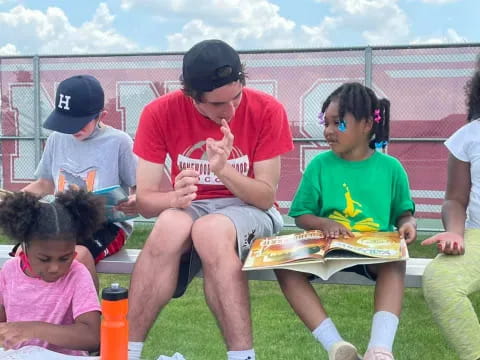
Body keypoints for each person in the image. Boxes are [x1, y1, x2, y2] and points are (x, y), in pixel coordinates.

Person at [127, 39, 294, 360]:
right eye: (218, 105)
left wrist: (223, 170)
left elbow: (265, 196)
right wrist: (174, 197)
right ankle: (125, 352)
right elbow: (146, 202)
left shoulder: (268, 109)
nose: (230, 111)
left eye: (237, 97)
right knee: (168, 225)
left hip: (250, 209)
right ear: (191, 97)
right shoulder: (159, 112)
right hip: (191, 207)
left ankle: (243, 356)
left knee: (211, 230)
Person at [276, 82, 416, 360]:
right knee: (283, 266)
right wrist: (324, 224)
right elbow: (301, 215)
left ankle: (379, 350)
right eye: (325, 123)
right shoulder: (319, 165)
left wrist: (407, 223)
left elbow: (403, 212)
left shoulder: (391, 168)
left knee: (395, 263)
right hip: (326, 249)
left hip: (372, 252)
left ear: (366, 124)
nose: (328, 131)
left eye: (338, 124)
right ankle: (336, 346)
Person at [22, 74, 138, 291]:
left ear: (101, 115)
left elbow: (139, 188)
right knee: (28, 253)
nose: (72, 128)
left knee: (77, 255)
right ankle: (34, 315)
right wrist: (15, 201)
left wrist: (135, 200)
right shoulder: (57, 138)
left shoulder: (119, 142)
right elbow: (45, 183)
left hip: (108, 225)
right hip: (63, 221)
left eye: (79, 122)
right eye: (65, 122)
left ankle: (87, 322)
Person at [422, 56, 480, 360]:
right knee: (440, 281)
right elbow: (455, 199)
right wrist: (455, 233)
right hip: (478, 236)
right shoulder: (468, 137)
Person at [0, 190, 104, 355]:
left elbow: (92, 337)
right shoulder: (9, 271)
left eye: (65, 258)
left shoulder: (77, 275)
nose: (55, 268)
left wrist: (32, 329)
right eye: (44, 259)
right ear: (25, 248)